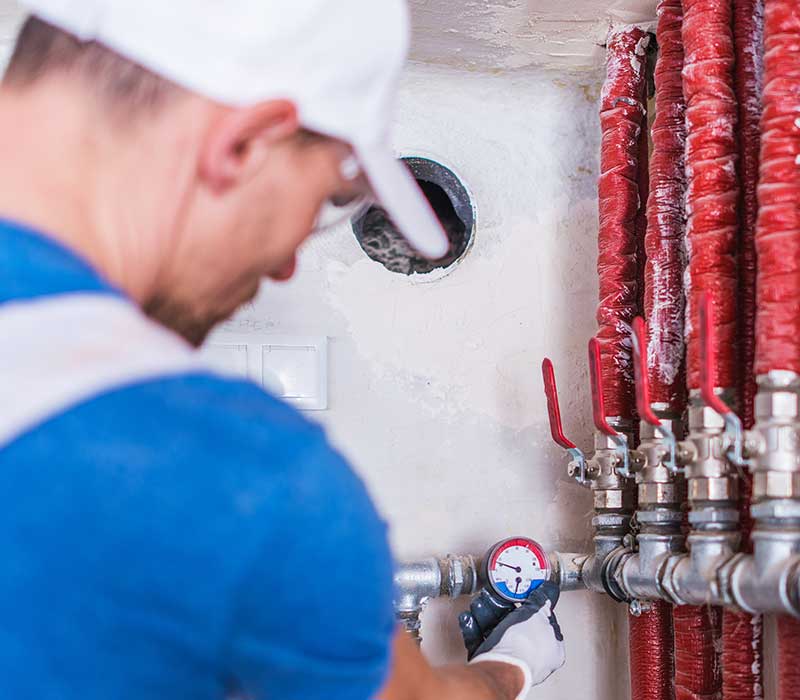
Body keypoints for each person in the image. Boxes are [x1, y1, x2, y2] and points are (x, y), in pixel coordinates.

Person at [0, 1, 565, 699]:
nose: (286, 265)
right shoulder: (235, 473)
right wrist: (515, 665)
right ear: (243, 145)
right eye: (327, 198)